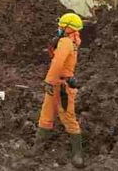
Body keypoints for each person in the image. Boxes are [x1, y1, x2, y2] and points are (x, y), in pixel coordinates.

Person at [30, 13, 85, 168]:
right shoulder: (71, 41)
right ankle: (37, 148)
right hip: (57, 84)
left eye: (61, 26)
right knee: (46, 115)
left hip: (62, 87)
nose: (59, 28)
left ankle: (77, 153)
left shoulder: (66, 42)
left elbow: (58, 63)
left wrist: (49, 80)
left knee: (68, 118)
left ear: (67, 28)